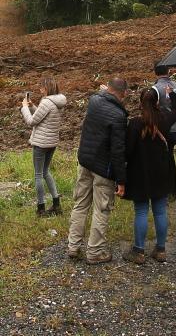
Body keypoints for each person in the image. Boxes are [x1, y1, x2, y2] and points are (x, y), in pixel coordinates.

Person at [67, 78, 128, 264]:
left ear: (107, 88)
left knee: (80, 204)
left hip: (85, 161)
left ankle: (73, 246)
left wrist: (103, 91)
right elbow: (118, 151)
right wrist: (122, 180)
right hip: (103, 168)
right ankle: (94, 251)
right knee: (101, 209)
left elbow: (100, 94)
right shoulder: (119, 116)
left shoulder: (94, 101)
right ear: (124, 93)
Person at [122, 86, 176, 265]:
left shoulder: (134, 123)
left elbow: (127, 151)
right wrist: (171, 94)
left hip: (140, 173)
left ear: (140, 103)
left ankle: (139, 251)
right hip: (162, 172)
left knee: (141, 211)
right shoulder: (165, 119)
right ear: (157, 102)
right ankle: (160, 249)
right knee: (160, 211)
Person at [20, 77, 67, 217]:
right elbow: (44, 115)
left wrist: (24, 108)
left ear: (46, 88)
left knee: (38, 175)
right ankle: (56, 204)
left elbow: (32, 121)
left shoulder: (46, 102)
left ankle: (41, 209)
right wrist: (32, 106)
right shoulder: (58, 101)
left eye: (41, 87)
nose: (40, 90)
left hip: (40, 144)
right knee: (46, 172)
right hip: (52, 143)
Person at [153, 63, 176, 199]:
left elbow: (151, 112)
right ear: (169, 71)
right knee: (170, 157)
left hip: (160, 131)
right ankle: (174, 190)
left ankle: (163, 191)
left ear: (155, 72)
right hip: (174, 131)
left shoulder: (154, 89)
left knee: (160, 159)